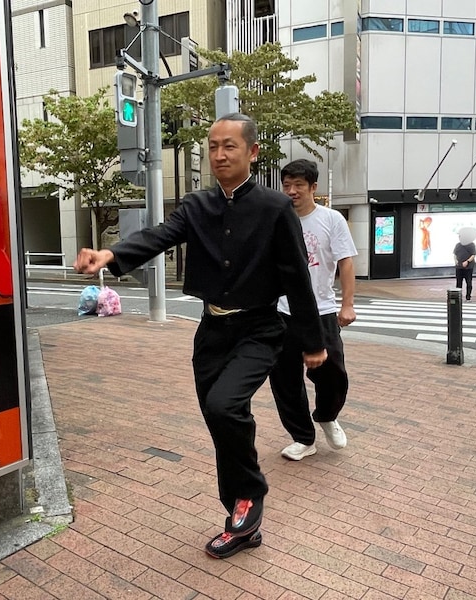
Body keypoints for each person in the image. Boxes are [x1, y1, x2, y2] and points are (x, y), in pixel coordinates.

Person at [73, 113, 327, 559]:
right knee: (218, 419)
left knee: (225, 406)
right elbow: (160, 235)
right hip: (211, 331)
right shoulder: (197, 205)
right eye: (212, 146)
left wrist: (313, 341)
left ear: (252, 152)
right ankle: (241, 520)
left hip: (260, 328)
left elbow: (296, 277)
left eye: (229, 146)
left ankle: (250, 495)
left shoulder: (274, 208)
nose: (219, 155)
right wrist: (110, 253)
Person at [269, 159, 357, 461]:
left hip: (322, 310)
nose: (292, 191)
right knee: (284, 379)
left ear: (313, 187)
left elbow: (346, 262)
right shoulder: (276, 219)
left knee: (333, 373)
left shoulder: (331, 219)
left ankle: (327, 415)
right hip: (282, 311)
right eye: (287, 185)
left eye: (298, 185)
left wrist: (347, 304)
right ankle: (303, 438)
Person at [453, 228, 476, 301]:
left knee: (468, 282)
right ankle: (459, 297)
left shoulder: (471, 245)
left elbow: (473, 255)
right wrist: (456, 261)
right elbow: (455, 254)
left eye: (460, 236)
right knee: (458, 283)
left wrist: (467, 261)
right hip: (459, 267)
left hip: (468, 267)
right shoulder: (458, 245)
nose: (459, 237)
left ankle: (468, 297)